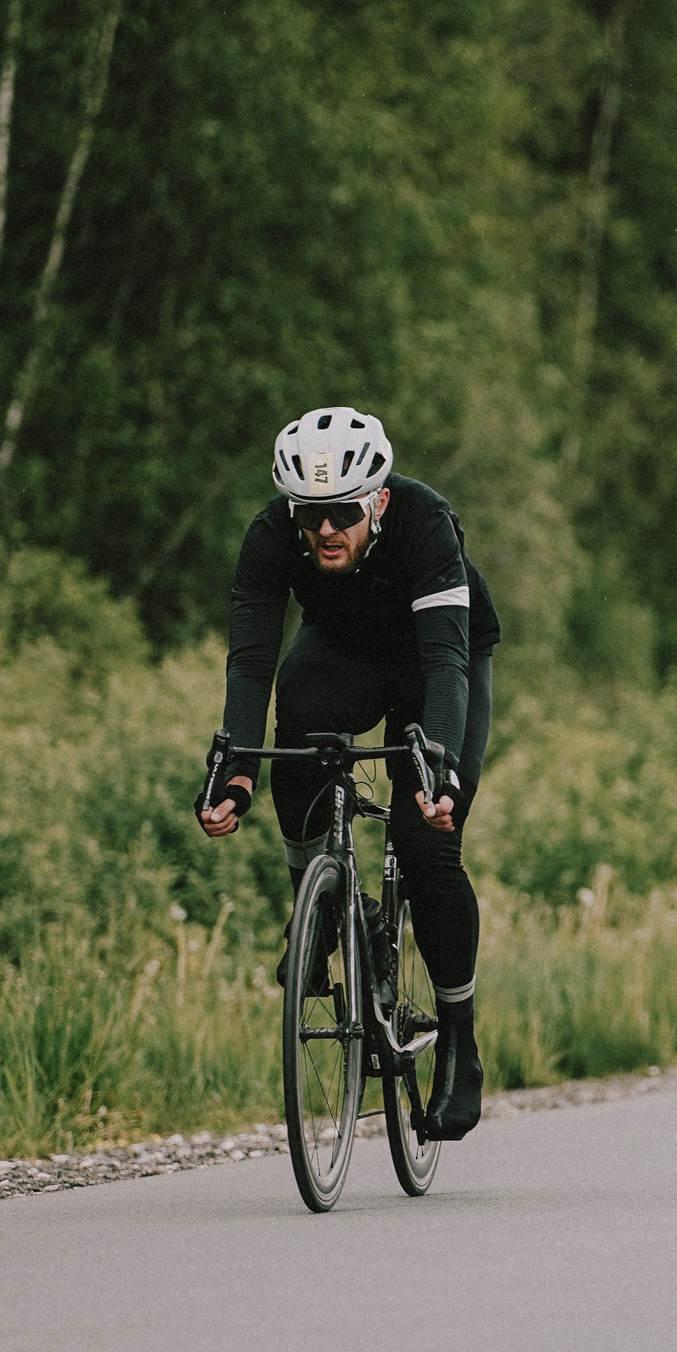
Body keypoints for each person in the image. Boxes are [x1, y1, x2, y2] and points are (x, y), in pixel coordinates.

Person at [201, 408, 500, 1141]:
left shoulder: (427, 523)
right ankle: (323, 907)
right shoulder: (273, 538)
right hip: (343, 652)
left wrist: (444, 779)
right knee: (297, 739)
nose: (324, 531)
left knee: (427, 843)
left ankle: (458, 1045)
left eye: (341, 514)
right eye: (310, 515)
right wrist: (234, 772)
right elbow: (250, 663)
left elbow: (447, 667)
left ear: (378, 502)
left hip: (439, 660)